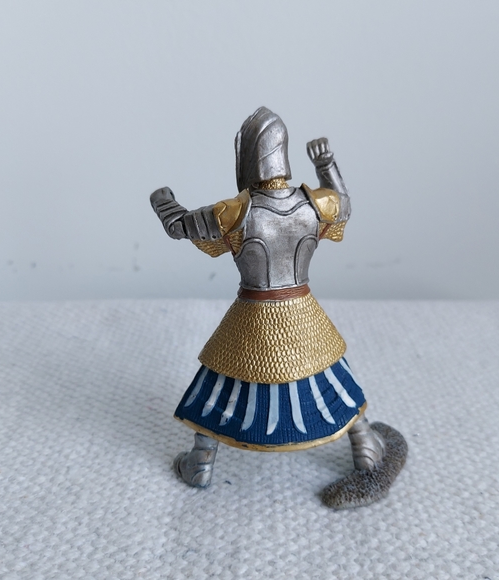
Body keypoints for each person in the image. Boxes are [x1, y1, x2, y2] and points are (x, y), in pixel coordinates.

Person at [150, 107, 407, 508]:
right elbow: (344, 204)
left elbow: (178, 225)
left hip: (252, 311)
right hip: (302, 311)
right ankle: (365, 443)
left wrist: (162, 200)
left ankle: (201, 459)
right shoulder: (314, 204)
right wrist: (326, 166)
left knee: (222, 382)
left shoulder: (235, 211)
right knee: (328, 376)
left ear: (248, 155)